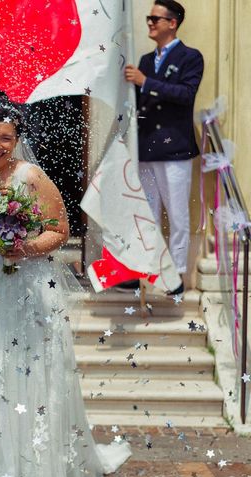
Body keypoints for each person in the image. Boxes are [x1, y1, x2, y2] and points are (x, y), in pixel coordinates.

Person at [0, 101, 131, 477]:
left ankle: (32, 460)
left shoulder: (29, 175)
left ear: (16, 141)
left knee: (25, 370)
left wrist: (23, 248)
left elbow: (60, 230)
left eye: (5, 138)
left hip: (26, 286)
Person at [124, 0, 204, 295]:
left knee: (178, 215)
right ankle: (143, 269)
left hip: (174, 149)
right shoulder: (145, 59)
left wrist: (146, 82)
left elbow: (185, 94)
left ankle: (177, 275)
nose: (149, 23)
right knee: (146, 214)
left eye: (155, 18)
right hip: (147, 148)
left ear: (172, 23)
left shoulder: (190, 57)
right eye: (148, 18)